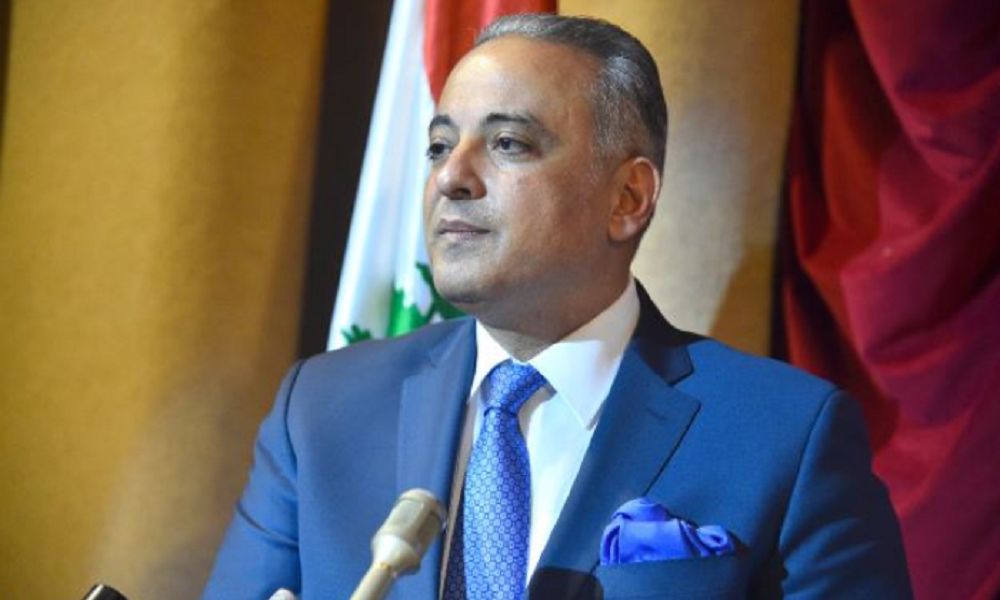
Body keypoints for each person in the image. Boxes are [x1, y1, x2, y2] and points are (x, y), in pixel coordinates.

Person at [203, 14, 912, 599]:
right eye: (439, 146)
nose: (451, 177)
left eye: (508, 143)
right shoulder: (321, 411)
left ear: (628, 198)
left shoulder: (784, 435)